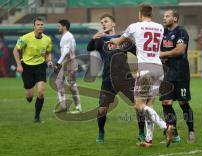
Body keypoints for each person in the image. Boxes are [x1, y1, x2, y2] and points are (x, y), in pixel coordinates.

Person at [111, 4, 173, 147]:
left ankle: (165, 127)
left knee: (139, 105)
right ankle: (148, 140)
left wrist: (112, 40)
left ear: (140, 14)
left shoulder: (134, 26)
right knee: (149, 106)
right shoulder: (160, 27)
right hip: (158, 68)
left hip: (145, 69)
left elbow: (119, 41)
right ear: (151, 14)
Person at [87, 14, 146, 144]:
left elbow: (139, 53)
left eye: (106, 21)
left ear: (113, 24)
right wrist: (92, 39)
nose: (103, 24)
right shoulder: (100, 40)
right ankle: (101, 132)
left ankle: (141, 132)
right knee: (102, 109)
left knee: (139, 105)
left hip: (126, 79)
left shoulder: (123, 39)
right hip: (108, 80)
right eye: (101, 22)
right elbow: (89, 48)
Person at [159, 9, 195, 143]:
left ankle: (191, 130)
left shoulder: (181, 32)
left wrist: (162, 54)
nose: (164, 18)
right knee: (166, 102)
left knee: (183, 102)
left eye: (167, 16)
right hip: (166, 73)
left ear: (175, 18)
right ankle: (174, 134)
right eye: (164, 16)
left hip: (181, 72)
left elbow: (180, 50)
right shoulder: (162, 32)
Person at [13, 17, 53, 123]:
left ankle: (37, 116)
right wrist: (19, 65)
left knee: (41, 92)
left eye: (42, 25)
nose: (40, 26)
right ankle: (29, 96)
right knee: (30, 96)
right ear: (34, 26)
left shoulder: (47, 39)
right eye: (38, 25)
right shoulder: (25, 38)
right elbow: (15, 51)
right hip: (26, 67)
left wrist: (49, 61)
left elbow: (48, 52)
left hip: (40, 66)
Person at [53, 19, 82, 114]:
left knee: (72, 85)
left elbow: (66, 52)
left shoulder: (67, 37)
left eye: (59, 26)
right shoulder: (68, 36)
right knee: (59, 82)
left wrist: (58, 63)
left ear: (64, 26)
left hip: (69, 63)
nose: (58, 28)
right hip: (67, 63)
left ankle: (78, 107)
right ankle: (63, 106)